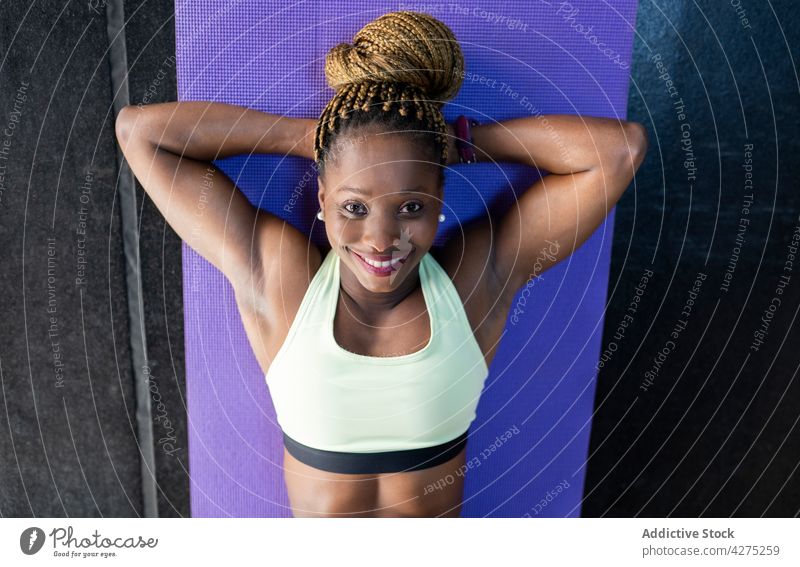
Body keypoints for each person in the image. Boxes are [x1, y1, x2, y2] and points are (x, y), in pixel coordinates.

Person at [115, 10, 648, 517]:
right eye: (353, 207)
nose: (381, 239)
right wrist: (316, 139)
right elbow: (140, 133)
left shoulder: (472, 284)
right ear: (321, 200)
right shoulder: (281, 281)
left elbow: (619, 151)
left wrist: (459, 143)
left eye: (411, 207)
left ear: (441, 199)